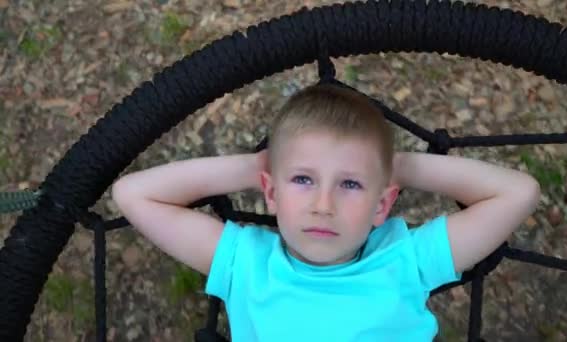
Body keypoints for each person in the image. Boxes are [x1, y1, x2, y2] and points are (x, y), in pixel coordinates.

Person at [111, 83, 541, 341]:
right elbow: (134, 195)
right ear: (272, 194)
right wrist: (258, 165)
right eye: (302, 180)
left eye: (350, 184)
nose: (323, 205)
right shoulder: (247, 262)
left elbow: (517, 192)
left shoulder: (405, 259)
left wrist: (396, 166)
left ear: (383, 204)